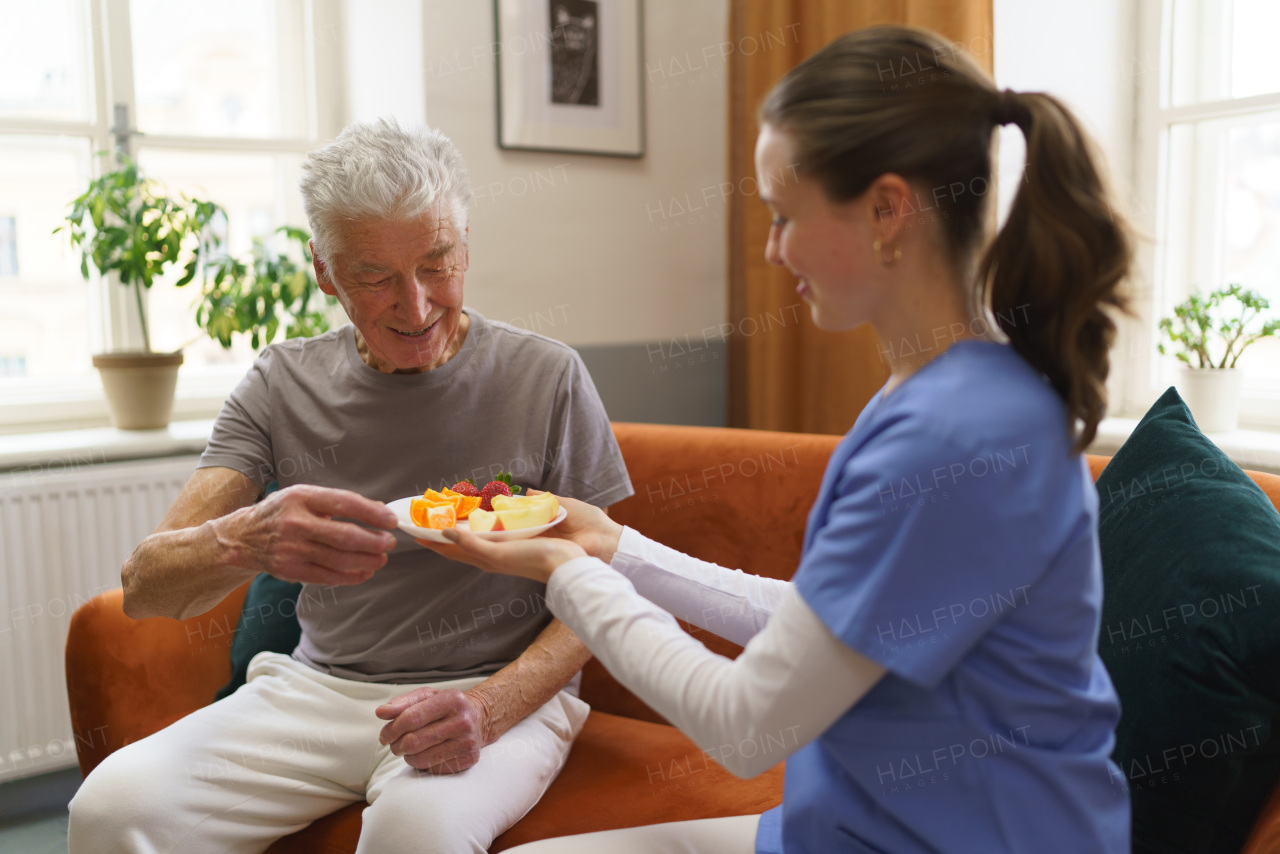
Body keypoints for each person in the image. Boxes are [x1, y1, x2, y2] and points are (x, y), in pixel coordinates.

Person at [430, 25, 1133, 854]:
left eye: (782, 216)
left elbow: (748, 725)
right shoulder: (936, 390)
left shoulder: (955, 437)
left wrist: (569, 575)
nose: (770, 251)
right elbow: (818, 627)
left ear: (885, 209)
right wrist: (616, 547)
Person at [67, 118, 634, 854]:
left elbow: (607, 571)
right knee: (110, 809)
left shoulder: (547, 376)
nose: (418, 304)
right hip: (314, 690)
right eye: (374, 277)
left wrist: (492, 707)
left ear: (465, 246)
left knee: (416, 834)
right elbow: (147, 585)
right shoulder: (280, 383)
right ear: (324, 272)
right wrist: (243, 540)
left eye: (438, 264)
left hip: (493, 693)